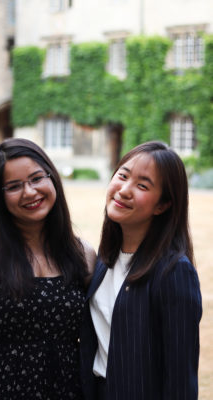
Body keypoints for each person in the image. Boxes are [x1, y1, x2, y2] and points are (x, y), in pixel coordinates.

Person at [0, 138, 96, 400]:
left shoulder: (81, 254)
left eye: (37, 178)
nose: (29, 192)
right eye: (14, 186)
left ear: (53, 179)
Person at [80, 141, 202, 400]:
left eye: (142, 185)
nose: (124, 190)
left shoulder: (174, 272)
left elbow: (181, 379)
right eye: (122, 176)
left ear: (163, 205)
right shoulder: (104, 260)